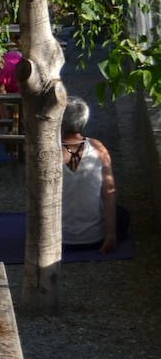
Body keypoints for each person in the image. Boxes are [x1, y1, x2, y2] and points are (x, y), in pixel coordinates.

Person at [61, 97, 128, 254]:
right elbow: (109, 189)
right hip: (95, 238)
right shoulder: (98, 147)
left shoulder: (48, 150)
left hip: (57, 240)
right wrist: (111, 235)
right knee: (122, 214)